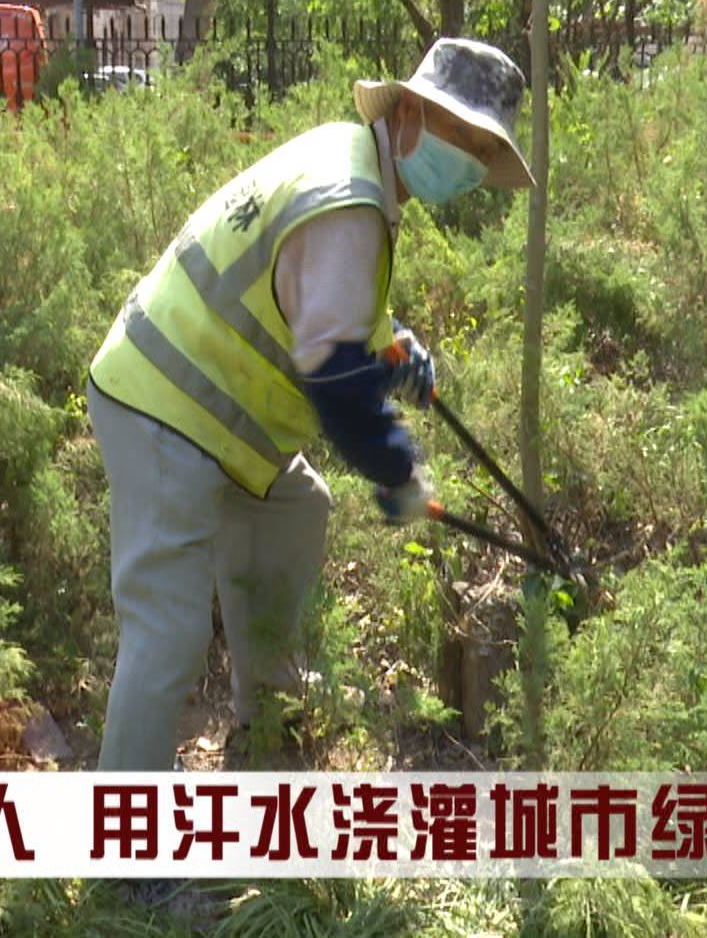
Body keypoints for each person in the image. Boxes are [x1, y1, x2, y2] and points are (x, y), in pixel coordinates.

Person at [86, 37, 535, 771]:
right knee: (167, 630)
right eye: (462, 136)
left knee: (297, 506)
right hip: (163, 406)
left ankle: (267, 704)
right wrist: (396, 471)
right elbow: (332, 377)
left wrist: (390, 349)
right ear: (413, 110)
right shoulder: (349, 200)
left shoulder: (355, 167)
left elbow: (325, 303)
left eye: (483, 150)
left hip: (214, 413)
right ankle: (126, 851)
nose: (469, 160)